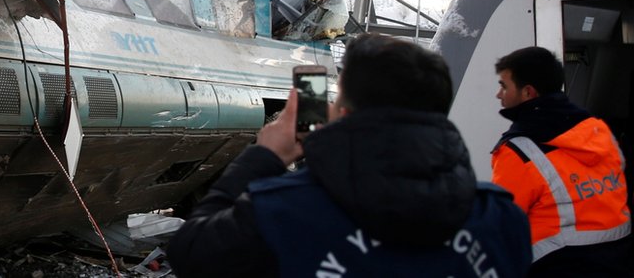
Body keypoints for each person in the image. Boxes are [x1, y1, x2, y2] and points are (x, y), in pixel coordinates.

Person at [167, 34, 532, 277]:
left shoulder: (282, 211)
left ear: (343, 112)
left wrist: (266, 155)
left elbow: (191, 253)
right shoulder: (503, 219)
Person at [491, 46, 632, 276]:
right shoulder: (597, 130)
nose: (499, 95)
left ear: (528, 92)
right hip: (619, 259)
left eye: (503, 86)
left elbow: (503, 224)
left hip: (557, 265)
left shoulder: (518, 151)